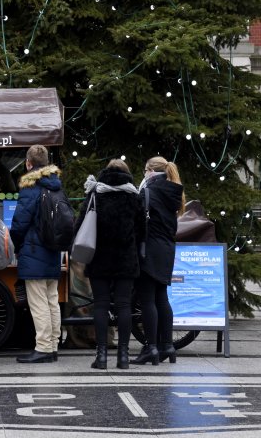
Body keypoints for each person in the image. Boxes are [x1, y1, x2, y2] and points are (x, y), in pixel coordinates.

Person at [75, 159, 146, 370]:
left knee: (100, 305)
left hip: (99, 258)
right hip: (125, 258)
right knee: (124, 305)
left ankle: (102, 356)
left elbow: (80, 225)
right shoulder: (133, 196)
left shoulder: (95, 193)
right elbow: (142, 229)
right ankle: (123, 356)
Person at [10, 144, 63, 364]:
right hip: (53, 250)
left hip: (33, 251)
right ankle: (52, 346)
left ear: (28, 163)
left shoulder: (30, 186)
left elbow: (20, 223)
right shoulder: (57, 186)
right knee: (52, 300)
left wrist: (16, 244)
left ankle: (42, 347)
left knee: (39, 302)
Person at [132, 156, 185, 365]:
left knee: (147, 300)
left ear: (150, 172)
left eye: (145, 170)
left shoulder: (149, 192)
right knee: (161, 297)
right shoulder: (173, 192)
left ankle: (151, 347)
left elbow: (138, 222)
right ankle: (168, 346)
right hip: (166, 249)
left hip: (149, 249)